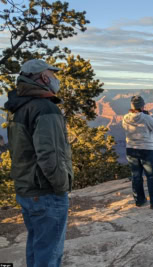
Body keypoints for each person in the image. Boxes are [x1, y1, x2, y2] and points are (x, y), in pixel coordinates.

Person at [4, 59, 73, 267]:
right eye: (53, 75)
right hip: (45, 192)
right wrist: (61, 187)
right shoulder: (45, 108)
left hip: (27, 189)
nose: (55, 79)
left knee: (37, 245)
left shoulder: (20, 106)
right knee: (50, 253)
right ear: (44, 77)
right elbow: (49, 155)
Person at [122, 95, 153, 209]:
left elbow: (125, 128)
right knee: (151, 177)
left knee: (136, 176)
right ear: (142, 106)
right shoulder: (146, 118)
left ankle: (139, 200)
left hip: (131, 149)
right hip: (146, 149)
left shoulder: (125, 117)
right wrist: (152, 115)